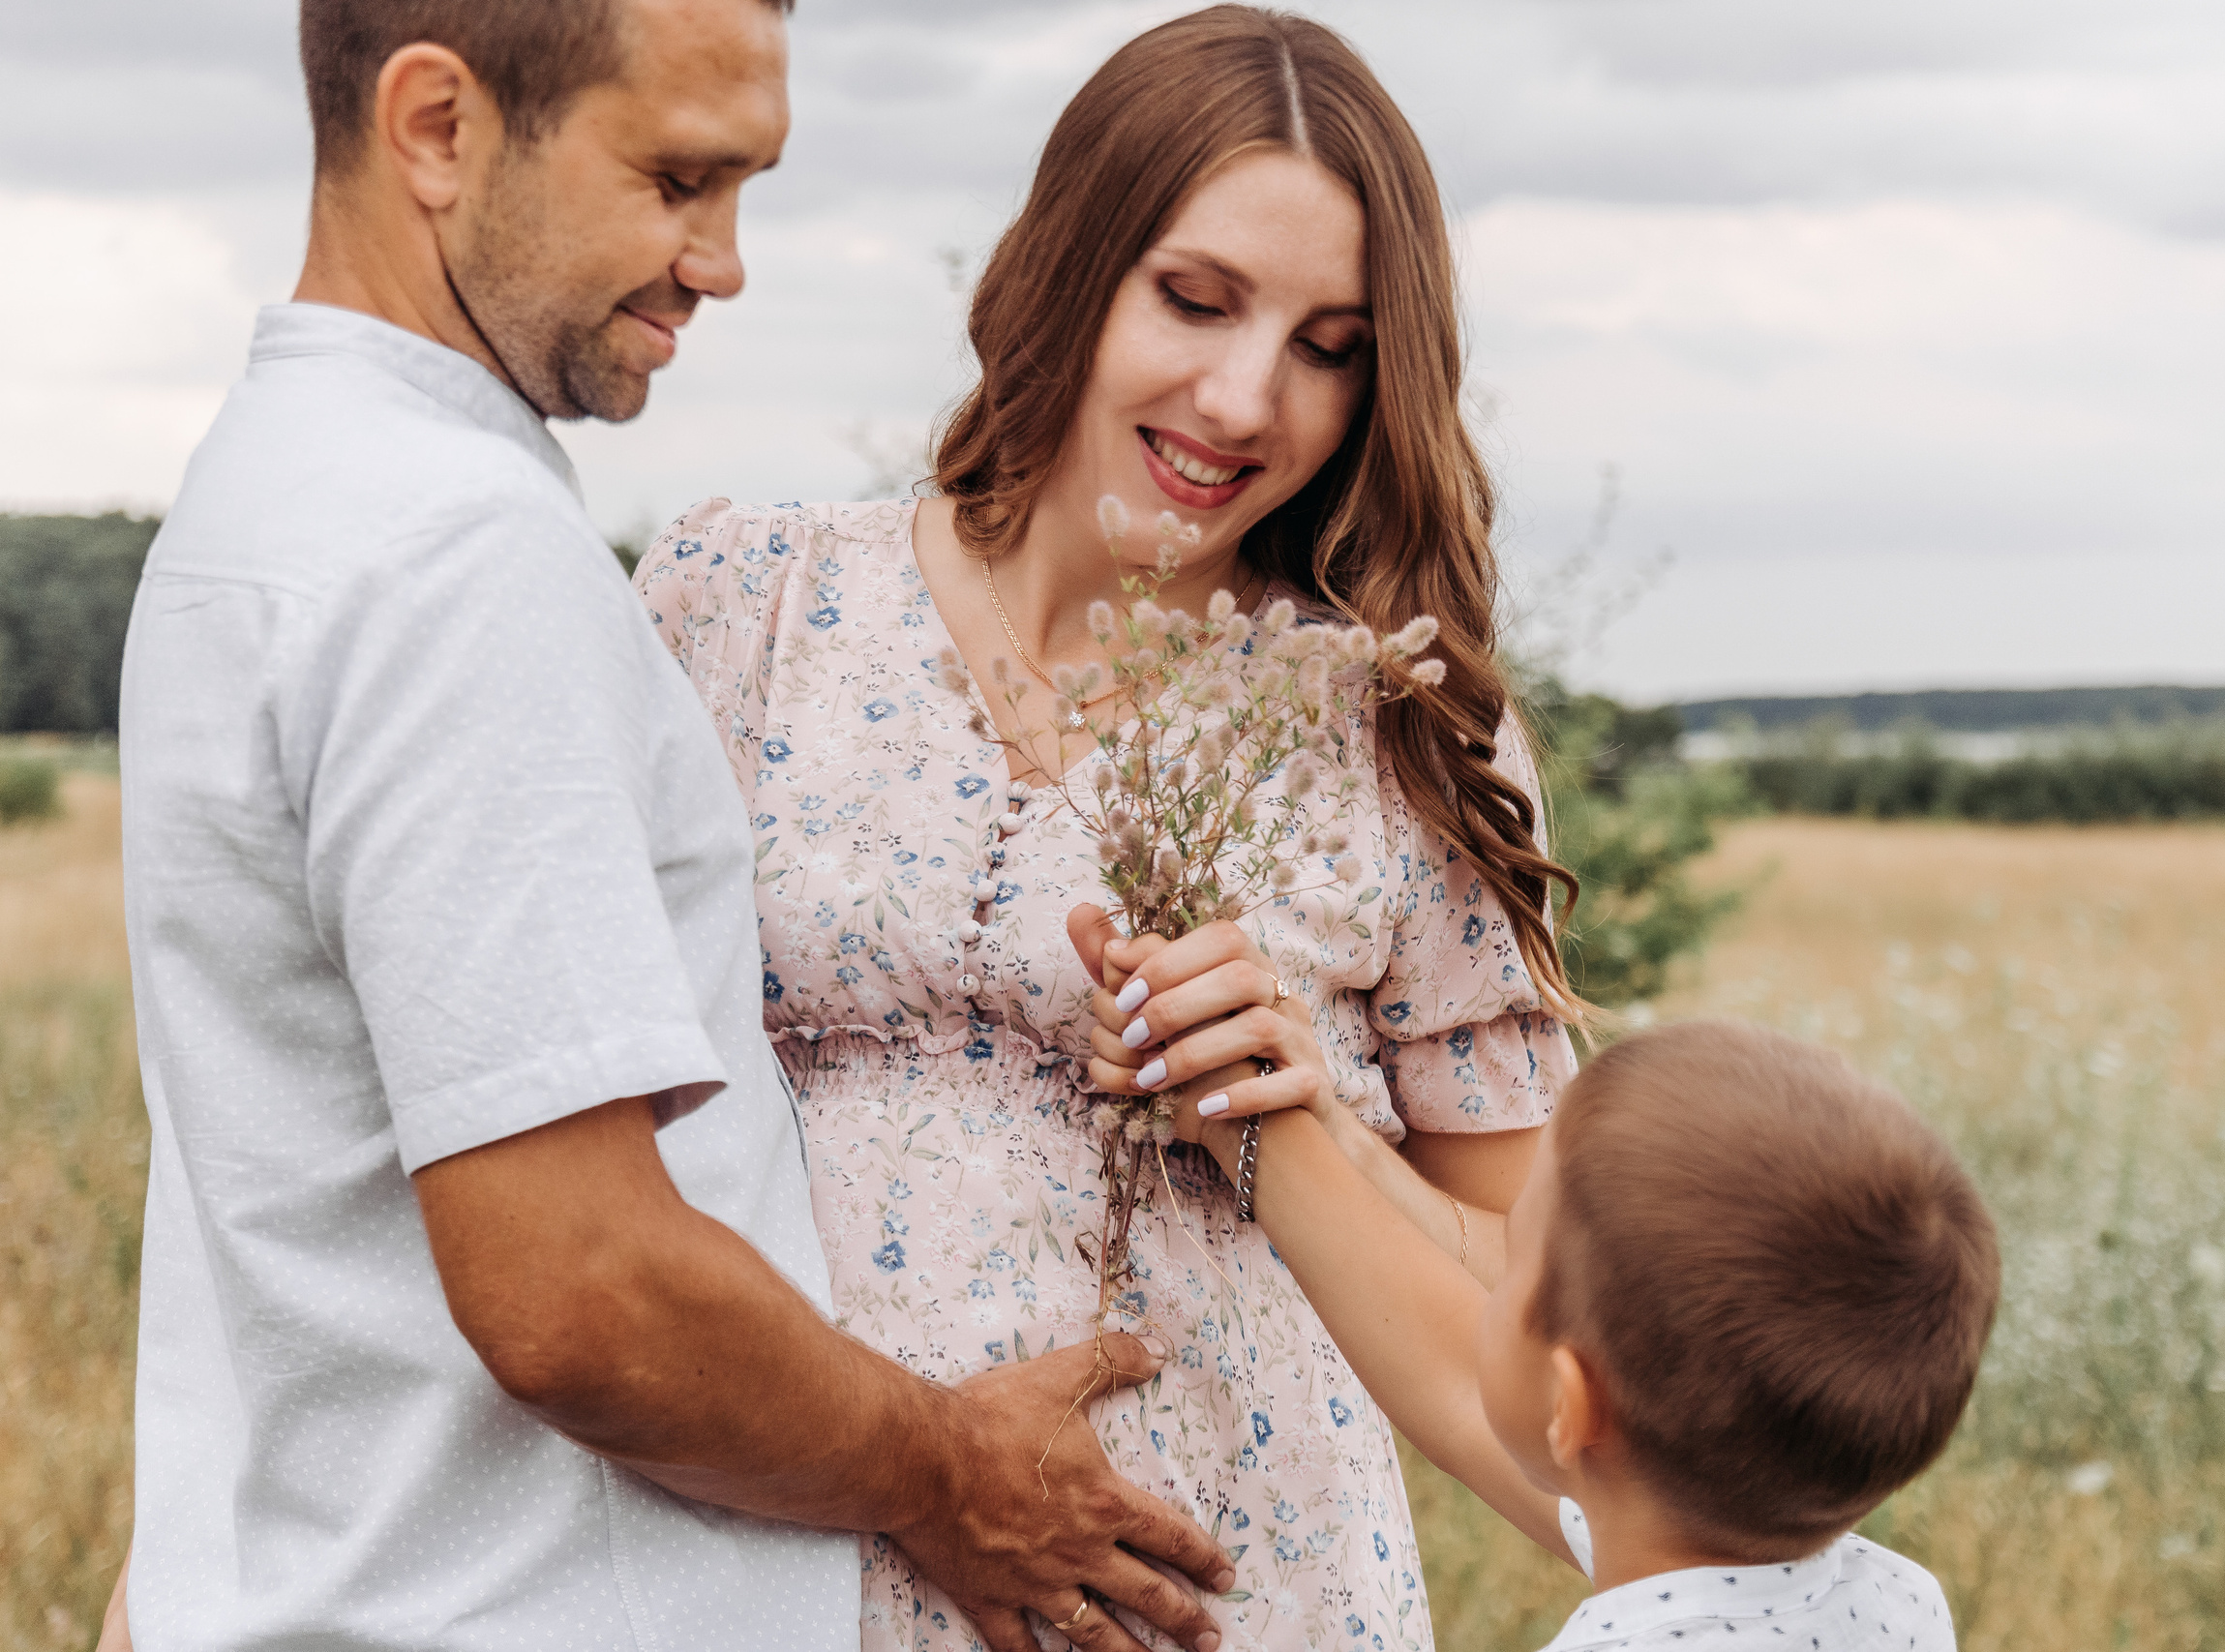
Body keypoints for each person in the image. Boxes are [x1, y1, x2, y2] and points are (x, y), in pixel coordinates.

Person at [103, 3, 1233, 1650]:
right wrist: (948, 1472)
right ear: (438, 128)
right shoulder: (455, 560)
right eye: (676, 179)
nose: (722, 262)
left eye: (743, 188)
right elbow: (582, 1288)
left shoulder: (268, 496)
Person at [632, 7, 1585, 1647]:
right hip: (773, 1576)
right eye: (1196, 299)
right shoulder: (746, 599)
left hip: (1241, 1597)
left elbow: (1550, 1326)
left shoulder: (1398, 718)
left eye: (1329, 343)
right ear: (1068, 262)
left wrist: (1312, 1126)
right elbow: (541, 1166)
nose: (1243, 397)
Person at [1091, 991, 1999, 1651]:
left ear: (1571, 1402)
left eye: (1513, 1254)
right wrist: (1300, 1126)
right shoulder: (1896, 1602)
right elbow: (1444, 1382)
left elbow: (1457, 1390)